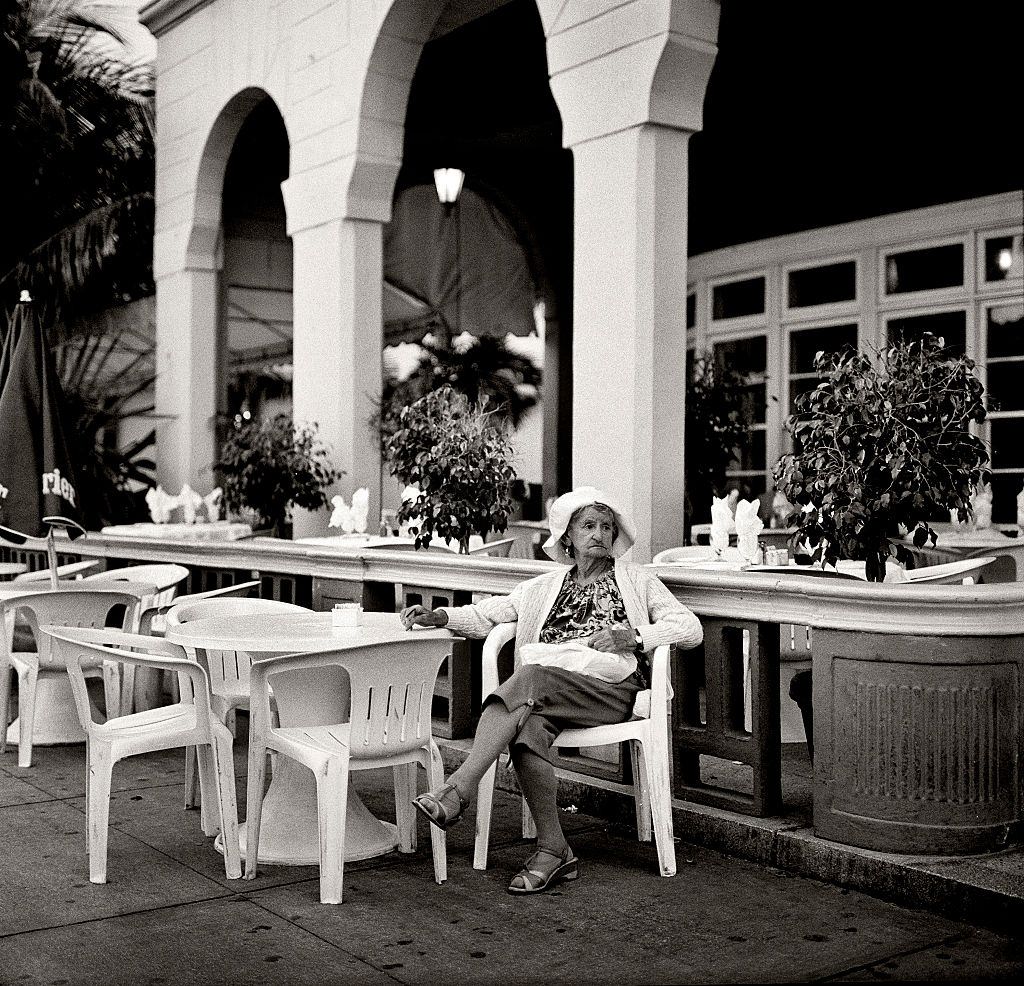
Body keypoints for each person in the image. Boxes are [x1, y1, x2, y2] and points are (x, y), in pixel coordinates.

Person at [400, 486, 704, 895]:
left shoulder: (637, 580)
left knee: (532, 676)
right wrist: (440, 615)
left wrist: (633, 636)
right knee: (528, 732)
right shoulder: (544, 586)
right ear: (567, 537)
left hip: (611, 689)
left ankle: (459, 788)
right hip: (547, 692)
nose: (599, 534)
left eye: (606, 527)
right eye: (588, 526)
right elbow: (491, 613)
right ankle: (554, 849)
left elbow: (689, 628)